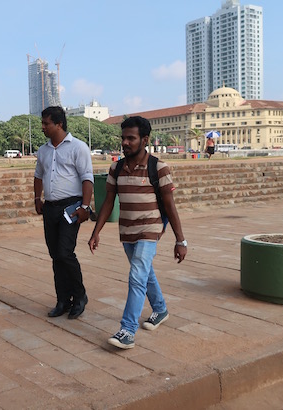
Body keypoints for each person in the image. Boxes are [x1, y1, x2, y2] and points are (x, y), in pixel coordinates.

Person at [88, 116, 187, 349]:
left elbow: (170, 206)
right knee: (145, 273)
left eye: (131, 138)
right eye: (123, 138)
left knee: (136, 275)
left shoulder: (158, 168)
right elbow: (108, 202)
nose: (125, 143)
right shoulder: (116, 168)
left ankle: (127, 330)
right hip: (127, 231)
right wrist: (96, 232)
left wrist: (180, 240)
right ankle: (161, 309)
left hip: (150, 229)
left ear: (144, 140)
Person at [34, 106, 94, 320]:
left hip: (71, 207)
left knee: (65, 253)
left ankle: (79, 296)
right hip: (50, 207)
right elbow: (38, 175)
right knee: (55, 255)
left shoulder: (78, 147)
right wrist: (36, 198)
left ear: (59, 124)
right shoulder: (43, 150)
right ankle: (62, 299)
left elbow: (87, 178)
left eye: (46, 123)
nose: (42, 127)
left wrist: (85, 207)